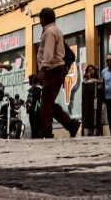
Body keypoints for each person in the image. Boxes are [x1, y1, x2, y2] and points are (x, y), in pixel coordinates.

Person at [31, 8, 79, 138]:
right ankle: (71, 124)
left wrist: (42, 69)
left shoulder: (50, 32)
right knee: (49, 103)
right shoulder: (55, 30)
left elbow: (48, 52)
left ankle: (45, 132)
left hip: (53, 71)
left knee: (46, 105)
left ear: (42, 19)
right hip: (54, 71)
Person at [79, 63, 103, 136]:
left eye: (92, 69)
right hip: (87, 104)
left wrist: (91, 79)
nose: (91, 71)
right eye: (89, 70)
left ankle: (97, 131)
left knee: (96, 118)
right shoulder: (85, 82)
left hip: (96, 103)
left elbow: (99, 85)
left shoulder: (98, 81)